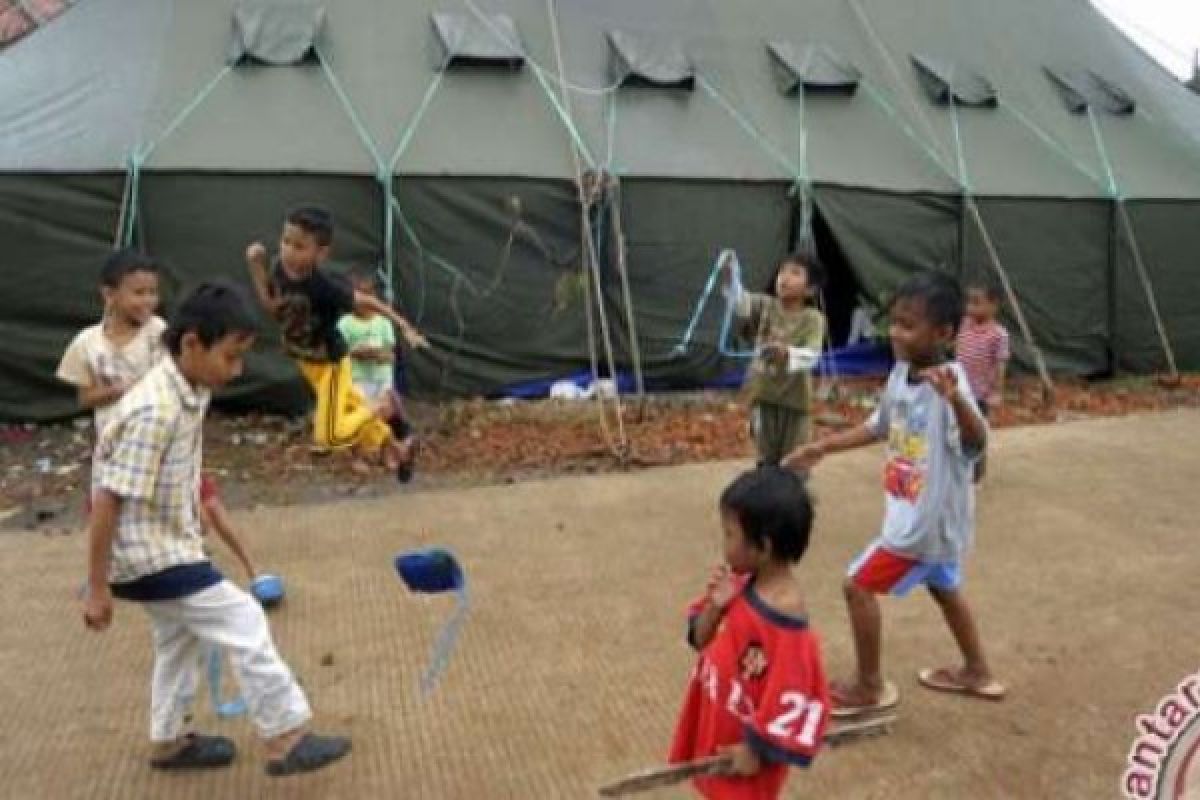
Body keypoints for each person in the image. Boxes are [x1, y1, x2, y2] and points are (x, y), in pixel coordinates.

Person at [81, 282, 350, 775]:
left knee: (178, 639)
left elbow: (179, 471)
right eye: (230, 356)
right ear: (191, 344)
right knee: (244, 619)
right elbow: (106, 499)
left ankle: (168, 741)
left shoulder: (190, 385)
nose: (238, 369)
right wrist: (97, 588)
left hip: (165, 546)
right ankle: (286, 737)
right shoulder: (153, 409)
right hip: (150, 556)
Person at [785, 271, 1006, 715]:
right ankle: (978, 671)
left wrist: (959, 402)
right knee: (944, 589)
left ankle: (869, 686)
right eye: (895, 322)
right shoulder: (903, 373)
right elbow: (879, 426)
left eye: (909, 325)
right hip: (927, 521)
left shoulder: (949, 383)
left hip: (920, 527)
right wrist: (821, 446)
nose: (896, 333)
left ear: (943, 333)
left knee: (856, 587)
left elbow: (977, 441)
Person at [57, 248, 260, 581]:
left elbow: (182, 376)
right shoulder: (88, 345)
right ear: (108, 294)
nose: (148, 301)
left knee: (205, 505)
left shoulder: (159, 333)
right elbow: (84, 397)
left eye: (153, 292)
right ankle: (110, 574)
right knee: (114, 508)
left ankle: (248, 568)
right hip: (126, 444)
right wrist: (127, 392)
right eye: (138, 292)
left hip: (168, 444)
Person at [669, 467, 830, 800]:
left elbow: (796, 697)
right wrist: (716, 606)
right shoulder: (741, 583)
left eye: (729, 534)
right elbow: (699, 639)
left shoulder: (785, 621)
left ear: (764, 547)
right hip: (717, 725)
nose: (723, 544)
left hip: (744, 757)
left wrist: (757, 751)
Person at [245, 206, 427, 477]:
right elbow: (272, 307)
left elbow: (368, 301)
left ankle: (383, 407)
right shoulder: (278, 268)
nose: (289, 253)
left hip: (330, 364)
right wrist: (256, 269)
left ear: (321, 253)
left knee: (328, 437)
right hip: (307, 364)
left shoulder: (326, 287)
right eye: (286, 242)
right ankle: (396, 447)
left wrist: (405, 327)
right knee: (352, 410)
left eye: (300, 247)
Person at [723, 253, 826, 467]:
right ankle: (767, 493)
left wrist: (787, 353)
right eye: (782, 271)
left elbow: (812, 356)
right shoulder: (765, 305)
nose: (784, 278)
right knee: (764, 457)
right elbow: (741, 303)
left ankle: (791, 495)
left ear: (810, 290)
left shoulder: (812, 319)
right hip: (762, 397)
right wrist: (732, 277)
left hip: (795, 403)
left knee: (794, 460)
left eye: (794, 273)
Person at [336, 268, 418, 479]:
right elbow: (340, 353)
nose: (364, 300)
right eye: (359, 295)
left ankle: (387, 453)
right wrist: (359, 353)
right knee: (359, 419)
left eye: (368, 294)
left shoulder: (383, 323)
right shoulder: (345, 324)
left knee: (384, 416)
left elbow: (391, 353)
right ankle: (357, 456)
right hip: (357, 379)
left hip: (381, 378)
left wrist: (382, 355)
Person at [956, 280, 1010, 482]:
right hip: (958, 390)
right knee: (955, 429)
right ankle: (958, 468)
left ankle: (976, 474)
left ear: (993, 305)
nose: (970, 307)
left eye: (977, 303)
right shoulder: (963, 324)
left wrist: (997, 392)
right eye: (968, 302)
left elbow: (1000, 365)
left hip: (980, 395)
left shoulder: (999, 335)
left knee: (976, 432)